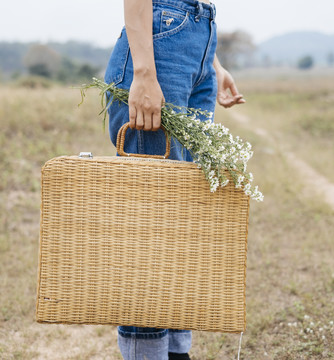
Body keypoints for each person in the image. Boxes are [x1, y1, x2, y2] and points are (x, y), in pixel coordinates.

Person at [104, 0, 244, 359]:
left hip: (199, 38)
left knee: (180, 224)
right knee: (150, 226)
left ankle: (177, 351)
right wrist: (144, 74)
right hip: (161, 41)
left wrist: (211, 63)